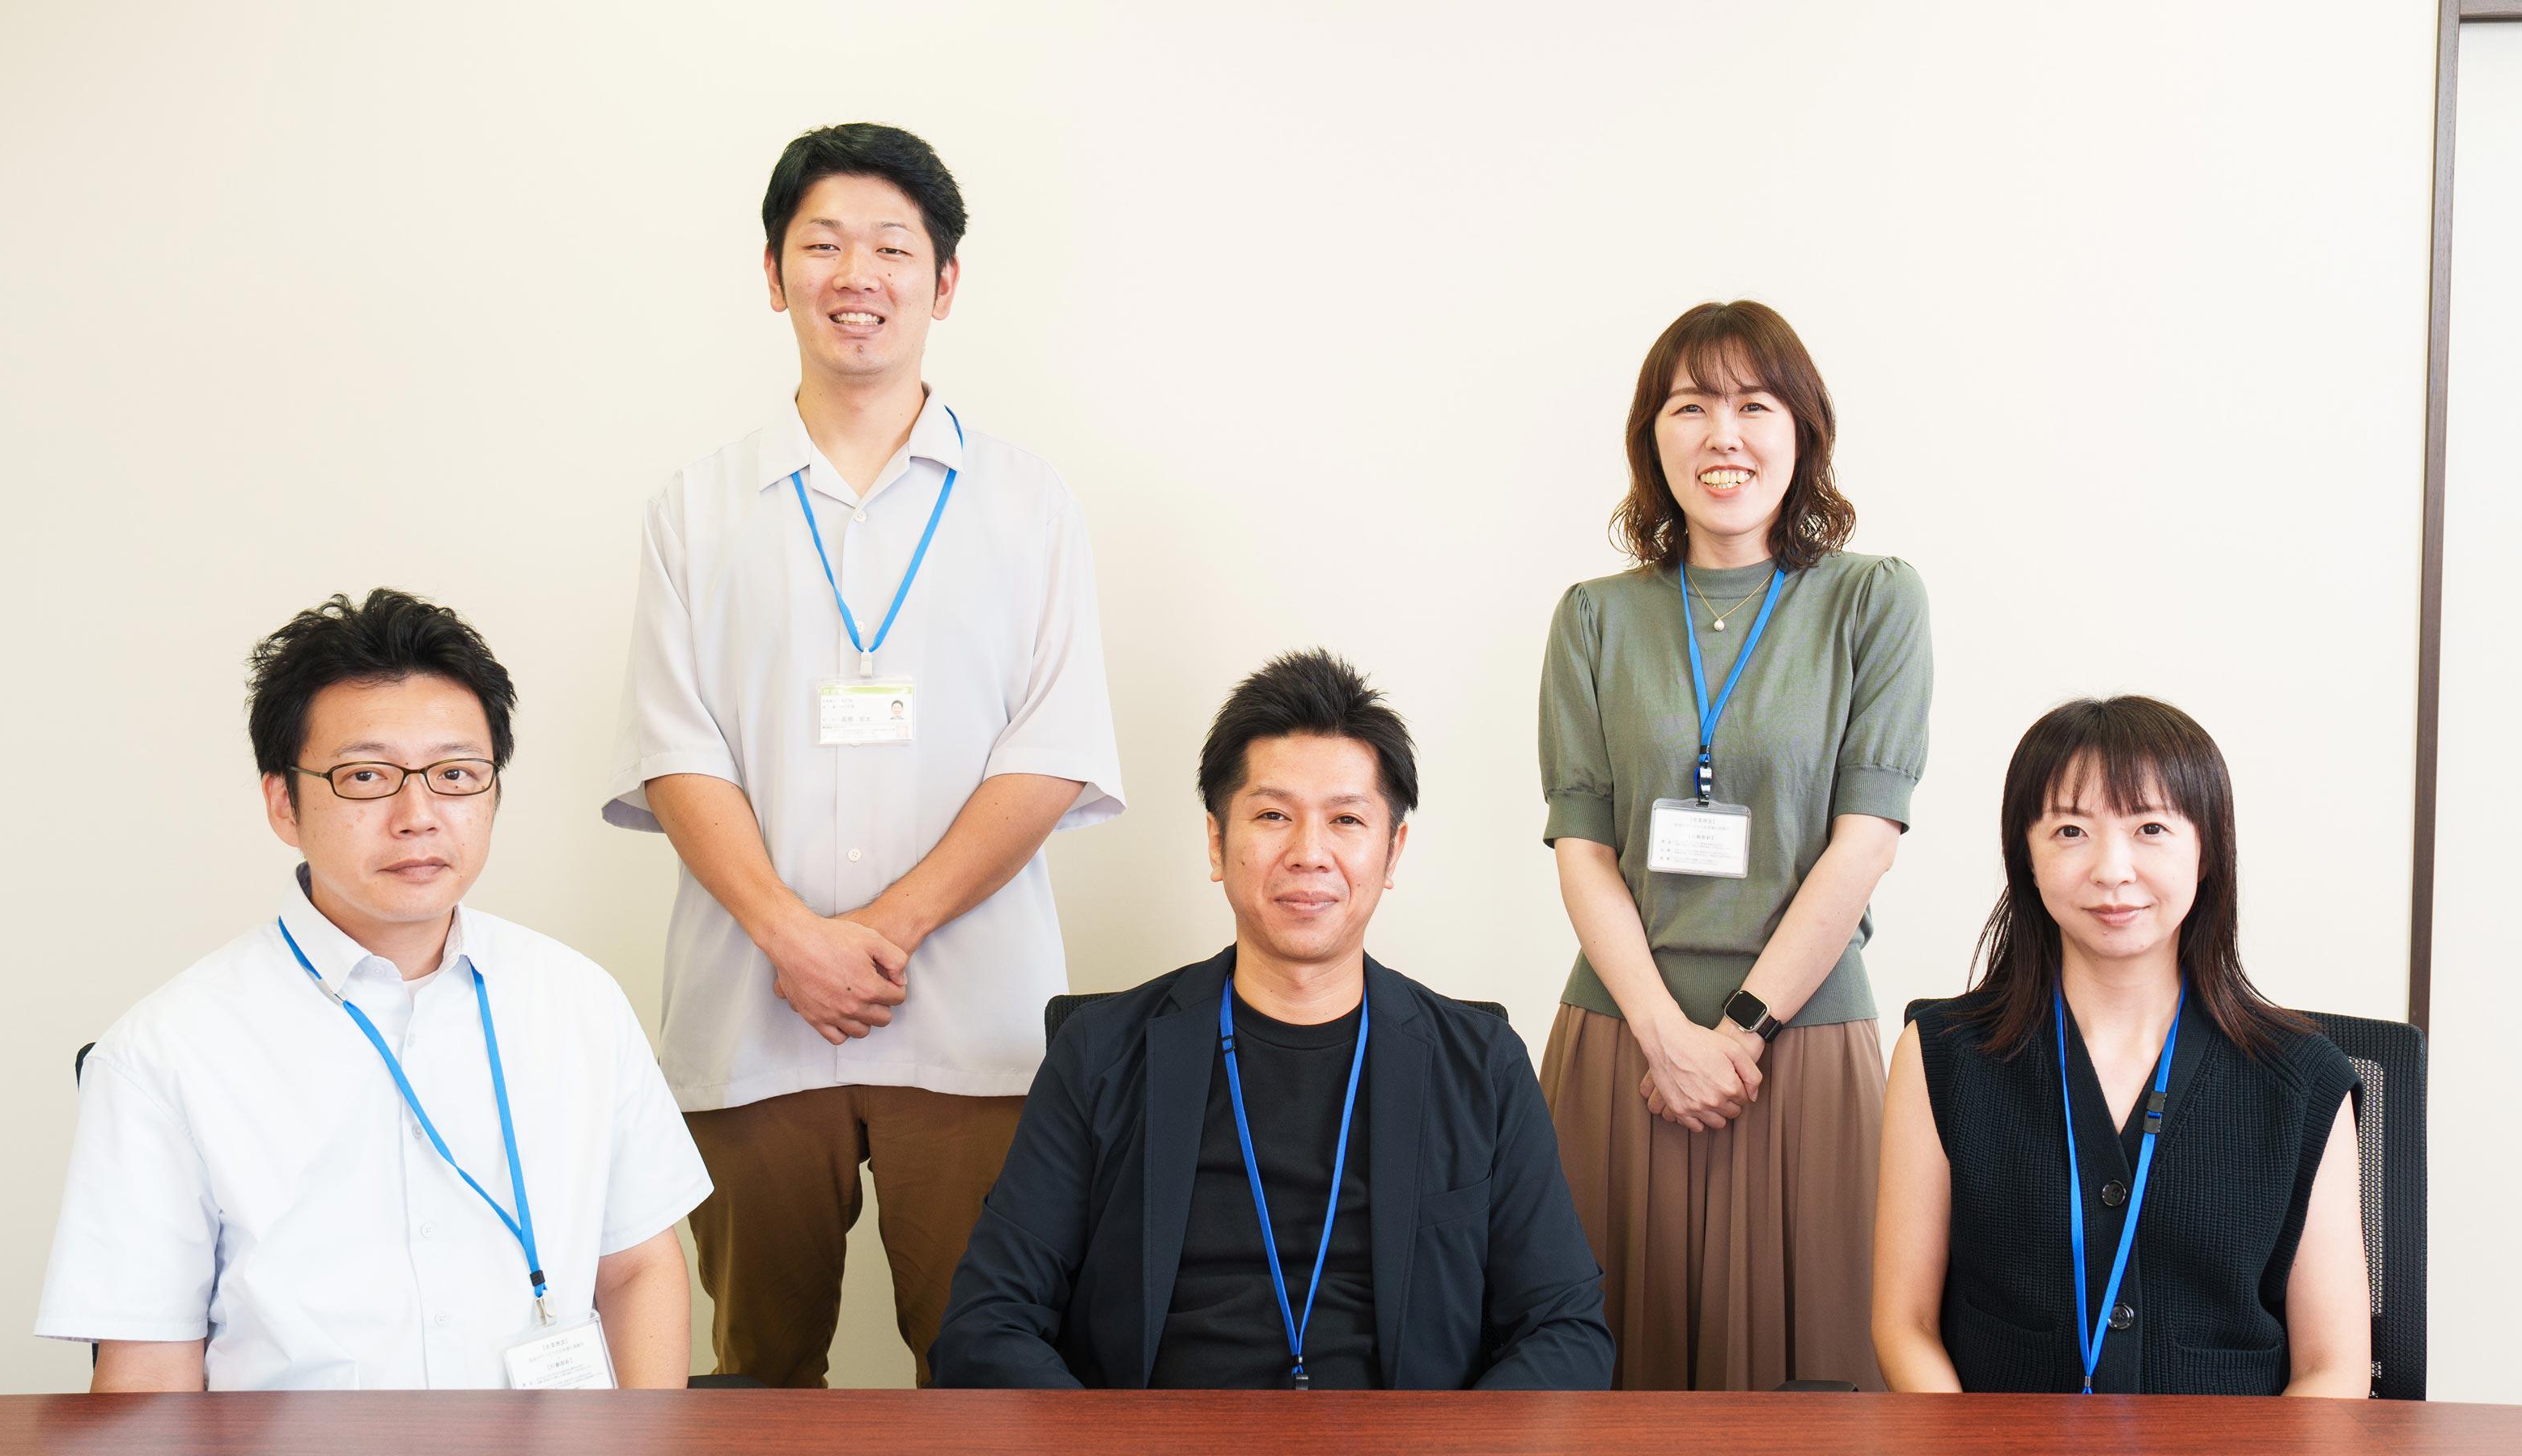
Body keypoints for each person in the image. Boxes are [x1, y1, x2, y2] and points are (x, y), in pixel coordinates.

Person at [604, 121, 1125, 1387]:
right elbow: (677, 753)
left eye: (893, 247)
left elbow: (1053, 750)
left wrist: (879, 932)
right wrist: (794, 938)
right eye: (823, 244)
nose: (858, 275)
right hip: (754, 1016)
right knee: (756, 1369)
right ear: (772, 273)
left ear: (945, 282)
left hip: (973, 1023)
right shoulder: (696, 507)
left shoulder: (1029, 502)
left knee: (987, 1365)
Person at [36, 590, 710, 1390]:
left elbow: (637, 1270)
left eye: (455, 774)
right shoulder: (162, 1054)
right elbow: (149, 1369)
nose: (418, 815)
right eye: (365, 776)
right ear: (283, 803)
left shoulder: (578, 1002)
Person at [930, 650, 1612, 1391]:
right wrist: (1116, 1446)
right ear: (1217, 843)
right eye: (1273, 816)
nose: (1309, 854)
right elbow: (986, 1324)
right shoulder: (1100, 1054)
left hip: (1401, 1442)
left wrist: (1446, 1445)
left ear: (1392, 852)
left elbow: (1565, 1331)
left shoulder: (1482, 1064)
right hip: (1162, 1439)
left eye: (1346, 819)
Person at [1536, 299, 1931, 1391]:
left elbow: (1864, 841)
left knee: (1816, 1392)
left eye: (1754, 405)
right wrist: (1665, 1036)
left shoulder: (1872, 601)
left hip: (1801, 1051)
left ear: (1801, 431)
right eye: (1690, 407)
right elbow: (1583, 850)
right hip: (1623, 1043)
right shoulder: (1593, 618)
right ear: (1650, 438)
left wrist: (1739, 1031)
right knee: (1604, 1378)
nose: (1723, 435)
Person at [1871, 696, 2368, 1396]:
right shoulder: (1942, 1057)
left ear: (2206, 851)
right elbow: (1906, 1326)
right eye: (2071, 830)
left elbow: (2333, 1369)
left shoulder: (2303, 1079)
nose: (2112, 869)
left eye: (2151, 828)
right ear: (2026, 855)